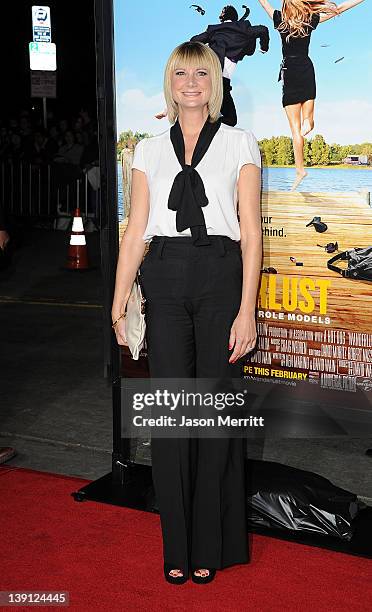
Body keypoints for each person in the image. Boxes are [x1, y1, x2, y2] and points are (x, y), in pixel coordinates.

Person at [112, 41, 262, 584]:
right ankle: (177, 545)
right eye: (181, 72)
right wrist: (119, 296)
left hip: (222, 275)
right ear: (169, 82)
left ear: (215, 82)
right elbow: (135, 232)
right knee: (174, 418)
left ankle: (212, 545)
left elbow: (251, 237)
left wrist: (247, 311)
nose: (191, 81)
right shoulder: (146, 149)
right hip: (166, 276)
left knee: (217, 417)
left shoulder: (242, 143)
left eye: (202, 72)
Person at [257, 0, 365, 190]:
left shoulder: (280, 20)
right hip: (306, 68)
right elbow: (339, 9)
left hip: (289, 71)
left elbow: (264, 3)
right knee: (309, 121)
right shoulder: (309, 19)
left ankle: (300, 170)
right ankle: (310, 123)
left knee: (295, 131)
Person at [155, 4, 269, 126]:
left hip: (207, 75)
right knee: (231, 120)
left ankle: (171, 109)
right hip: (221, 82)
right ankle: (205, 123)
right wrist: (264, 47)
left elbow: (193, 40)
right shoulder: (243, 29)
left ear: (222, 17)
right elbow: (263, 29)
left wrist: (207, 48)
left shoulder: (214, 30)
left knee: (192, 91)